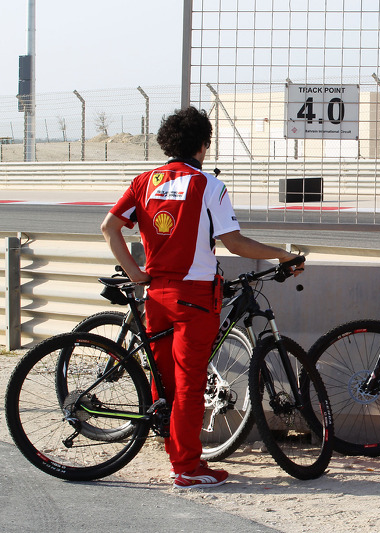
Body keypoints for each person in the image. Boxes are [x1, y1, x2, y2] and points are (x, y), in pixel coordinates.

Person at [101, 106, 303, 489]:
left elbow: (108, 228)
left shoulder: (144, 181)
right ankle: (188, 468)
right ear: (203, 144)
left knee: (164, 381)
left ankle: (175, 454)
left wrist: (136, 274)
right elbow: (235, 243)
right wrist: (282, 254)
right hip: (194, 297)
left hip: (156, 295)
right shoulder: (209, 184)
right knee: (190, 383)